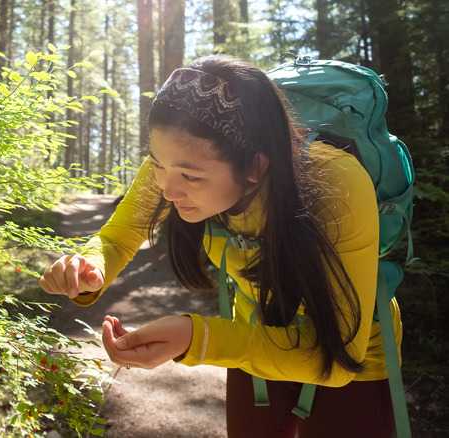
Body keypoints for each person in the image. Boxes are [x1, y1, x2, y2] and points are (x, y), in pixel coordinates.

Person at [39, 54, 400, 437]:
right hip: (256, 332)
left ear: (255, 166)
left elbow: (338, 360)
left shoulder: (337, 180)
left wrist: (198, 338)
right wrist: (90, 267)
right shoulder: (176, 159)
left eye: (190, 178)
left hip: (350, 355)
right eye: (157, 166)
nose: (167, 188)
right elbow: (118, 237)